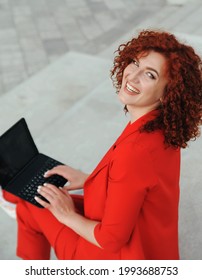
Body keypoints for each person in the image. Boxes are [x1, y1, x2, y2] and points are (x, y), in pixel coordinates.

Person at [3, 29, 202, 260]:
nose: (132, 76)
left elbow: (110, 240)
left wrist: (67, 215)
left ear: (168, 94)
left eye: (150, 75)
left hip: (110, 259)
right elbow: (136, 186)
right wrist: (88, 179)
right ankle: (11, 199)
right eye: (135, 63)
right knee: (33, 195)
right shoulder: (162, 129)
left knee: (31, 205)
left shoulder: (135, 151)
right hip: (150, 247)